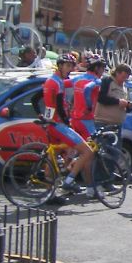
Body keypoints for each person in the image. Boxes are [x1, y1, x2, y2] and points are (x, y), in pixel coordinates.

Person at [41, 53, 96, 200]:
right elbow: (59, 107)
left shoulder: (50, 81)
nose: (70, 69)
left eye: (71, 66)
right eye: (67, 66)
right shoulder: (57, 82)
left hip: (51, 123)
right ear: (60, 66)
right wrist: (66, 123)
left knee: (54, 155)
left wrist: (43, 116)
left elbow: (38, 98)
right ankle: (69, 181)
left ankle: (49, 194)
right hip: (58, 124)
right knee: (87, 151)